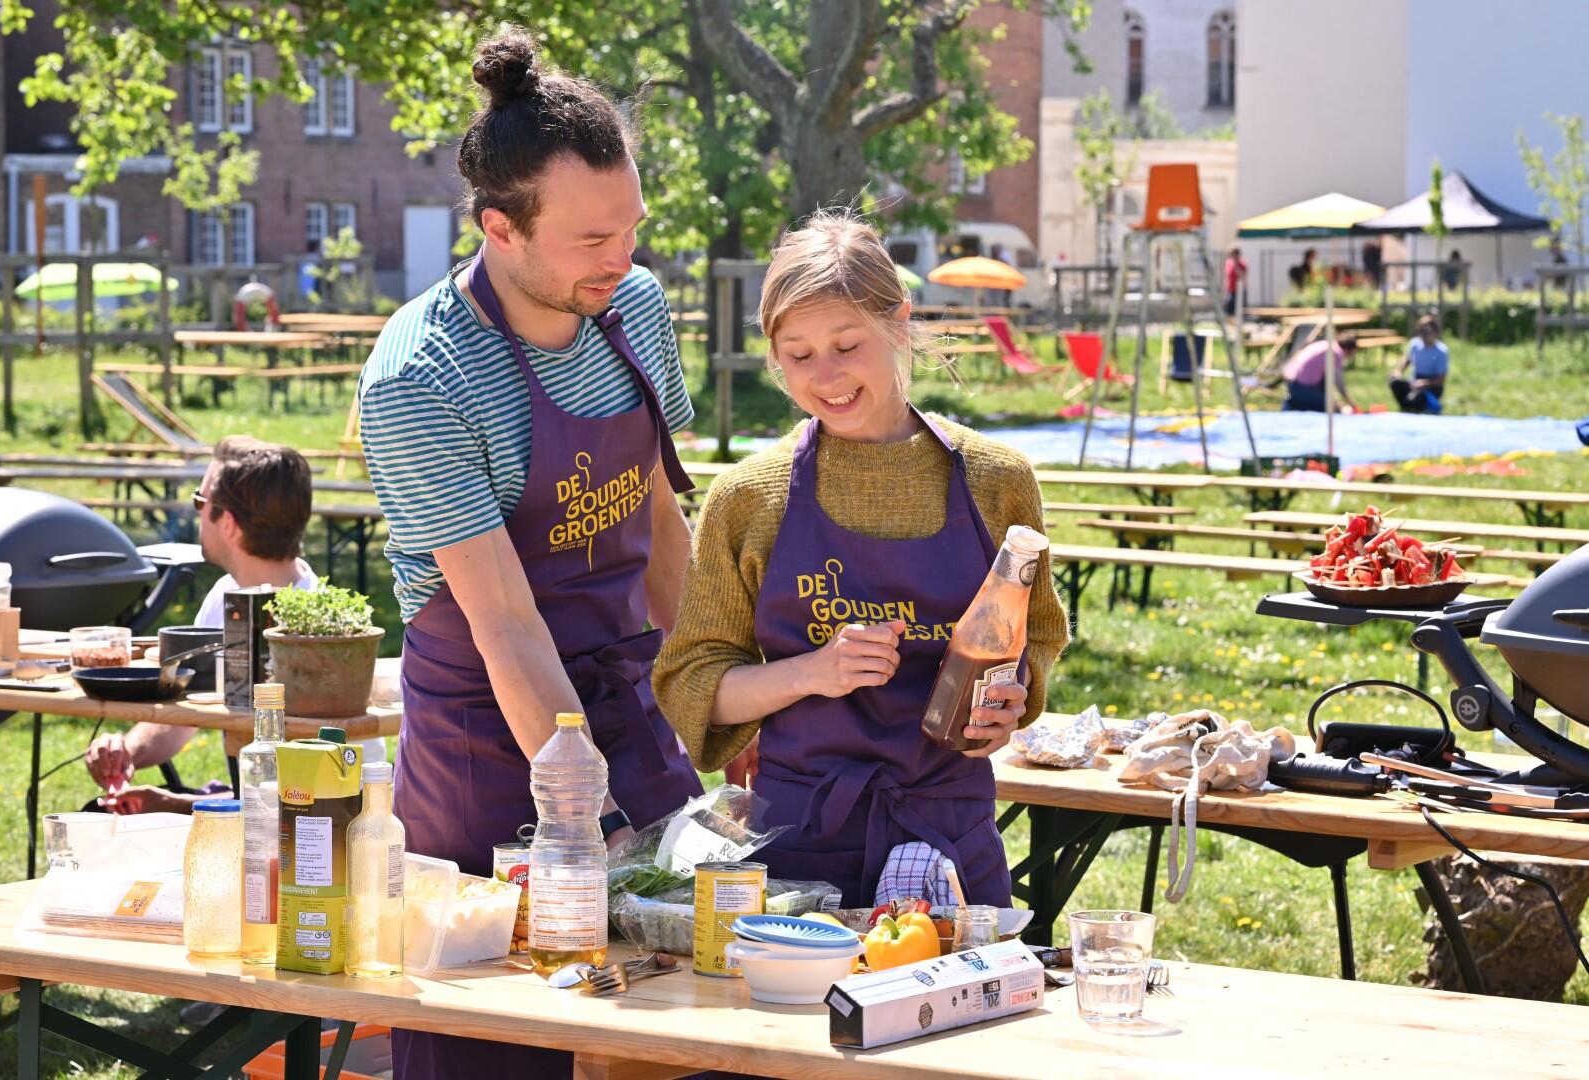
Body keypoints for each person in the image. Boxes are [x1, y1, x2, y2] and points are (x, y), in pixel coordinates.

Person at [356, 27, 702, 1077]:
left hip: (626, 700)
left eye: (631, 229)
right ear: (500, 229)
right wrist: (582, 818)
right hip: (486, 747)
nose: (623, 259)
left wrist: (712, 689)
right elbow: (506, 623)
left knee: (677, 1023)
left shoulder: (632, 309)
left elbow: (660, 526)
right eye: (592, 240)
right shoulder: (421, 381)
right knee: (493, 1039)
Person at [653, 211, 1071, 911]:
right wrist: (812, 672)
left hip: (949, 836)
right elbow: (694, 685)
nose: (827, 376)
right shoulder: (749, 498)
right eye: (798, 354)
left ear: (899, 324)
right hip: (800, 846)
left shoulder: (997, 480)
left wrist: (1010, 703)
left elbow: (1036, 644)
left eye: (847, 344)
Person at [82, 437, 386, 813]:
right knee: (97, 814)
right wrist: (126, 751)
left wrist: (177, 805)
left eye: (199, 502)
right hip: (263, 812)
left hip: (321, 831)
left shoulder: (318, 632)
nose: (195, 513)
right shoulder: (228, 597)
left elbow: (297, 807)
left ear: (227, 523)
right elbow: (187, 710)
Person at [1281, 334, 1359, 413]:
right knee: (1332, 408)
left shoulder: (1324, 344)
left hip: (1291, 380)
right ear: (1348, 350)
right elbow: (1338, 382)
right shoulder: (1336, 352)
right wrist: (1350, 402)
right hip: (1302, 386)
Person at [1391, 314, 1449, 414]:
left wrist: (1424, 383)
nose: (1424, 335)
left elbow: (1440, 380)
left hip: (1432, 385)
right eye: (1421, 332)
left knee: (1416, 400)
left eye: (1427, 332)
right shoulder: (1415, 344)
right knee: (1395, 383)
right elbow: (1407, 360)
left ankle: (1413, 407)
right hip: (1415, 380)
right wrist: (1398, 371)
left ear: (1435, 332)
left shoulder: (1441, 351)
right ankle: (1405, 407)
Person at [1222, 247, 1247, 316]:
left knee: (1237, 311)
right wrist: (1224, 290)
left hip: (1238, 291)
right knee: (1227, 310)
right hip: (1229, 290)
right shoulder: (1228, 263)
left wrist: (1235, 265)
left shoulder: (1242, 264)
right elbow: (1226, 277)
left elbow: (1242, 276)